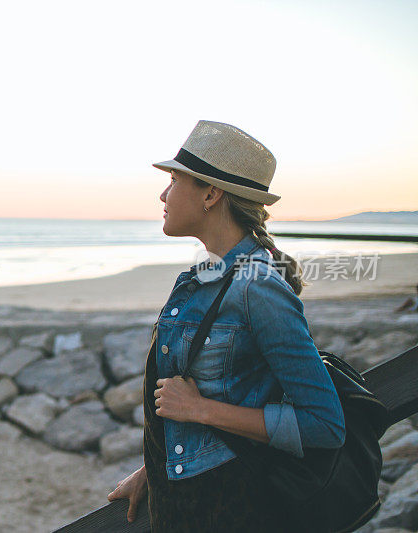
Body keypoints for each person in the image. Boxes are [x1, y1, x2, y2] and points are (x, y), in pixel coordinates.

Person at [107, 120, 346, 532]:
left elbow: (324, 424)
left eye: (174, 181)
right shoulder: (206, 275)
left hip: (233, 510)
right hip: (185, 503)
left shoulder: (259, 287)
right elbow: (231, 386)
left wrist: (201, 410)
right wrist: (155, 468)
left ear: (211, 194)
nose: (162, 195)